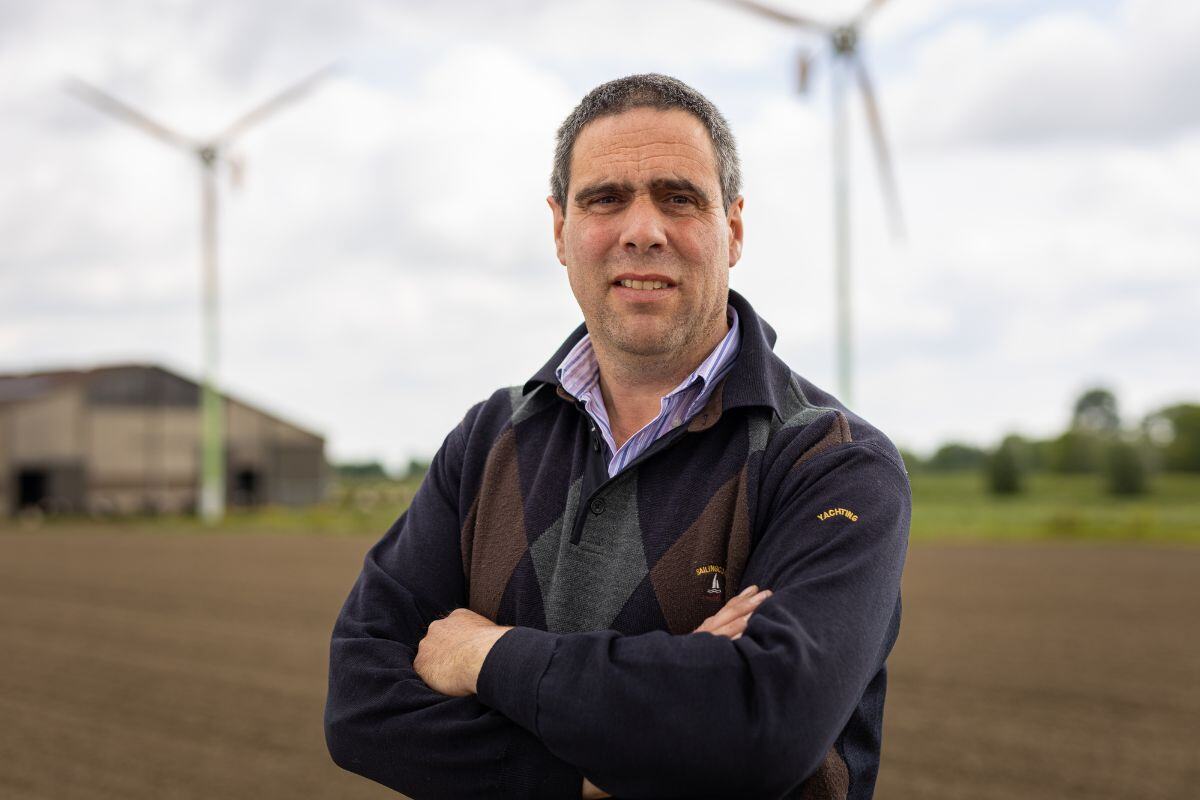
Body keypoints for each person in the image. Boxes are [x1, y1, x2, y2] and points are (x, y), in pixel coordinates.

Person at [324, 73, 910, 800]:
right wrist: (604, 768)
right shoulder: (487, 441)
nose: (642, 229)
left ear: (733, 228)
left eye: (679, 198)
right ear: (559, 230)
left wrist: (486, 656)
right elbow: (359, 702)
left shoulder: (834, 465)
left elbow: (761, 727)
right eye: (604, 199)